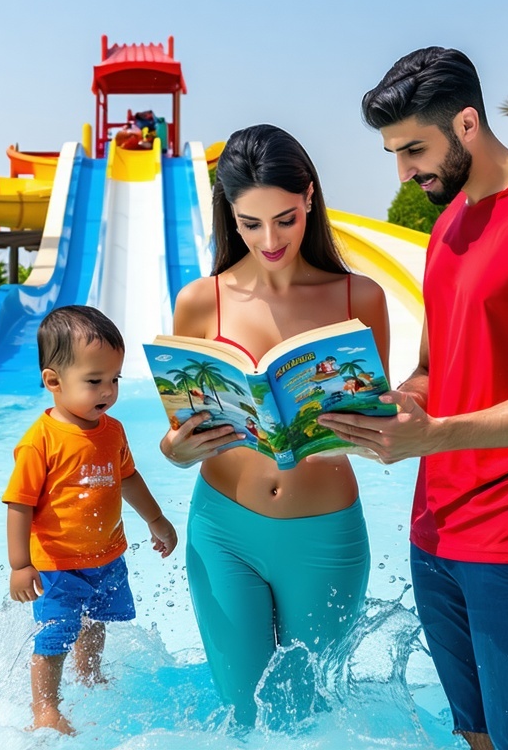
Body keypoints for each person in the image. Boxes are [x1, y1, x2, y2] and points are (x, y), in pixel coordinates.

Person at [319, 47, 508, 750]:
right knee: (476, 739)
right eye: (393, 153)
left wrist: (438, 436)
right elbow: (435, 366)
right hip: (436, 529)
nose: (404, 170)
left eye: (415, 149)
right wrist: (398, 403)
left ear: (467, 123)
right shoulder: (448, 226)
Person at [159, 124, 390, 727]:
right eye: (250, 223)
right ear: (228, 215)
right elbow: (179, 428)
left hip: (326, 535)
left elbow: (379, 422)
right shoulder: (199, 301)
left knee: (306, 719)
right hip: (223, 531)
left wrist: (371, 427)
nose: (270, 239)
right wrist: (175, 450)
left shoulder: (357, 298)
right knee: (243, 717)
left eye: (285, 219)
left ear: (309, 197)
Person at [3, 304, 178, 735]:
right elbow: (19, 504)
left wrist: (156, 520)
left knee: (95, 621)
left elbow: (128, 478)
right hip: (57, 563)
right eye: (95, 381)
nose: (108, 391)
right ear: (53, 381)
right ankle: (44, 708)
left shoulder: (112, 430)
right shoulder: (40, 442)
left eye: (114, 379)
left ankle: (90, 674)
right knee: (54, 636)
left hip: (107, 555)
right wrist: (20, 564)